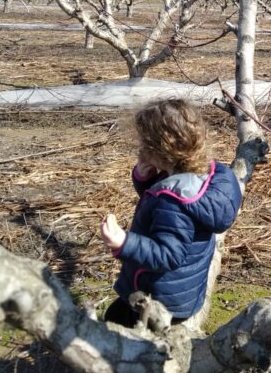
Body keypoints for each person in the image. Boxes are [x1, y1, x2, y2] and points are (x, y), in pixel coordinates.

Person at [99, 98, 242, 328]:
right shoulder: (204, 174)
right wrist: (145, 180)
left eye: (145, 146)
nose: (141, 150)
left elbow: (168, 254)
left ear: (162, 151)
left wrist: (123, 242)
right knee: (114, 314)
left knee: (114, 324)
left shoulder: (173, 203)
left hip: (162, 301)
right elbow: (162, 202)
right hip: (182, 291)